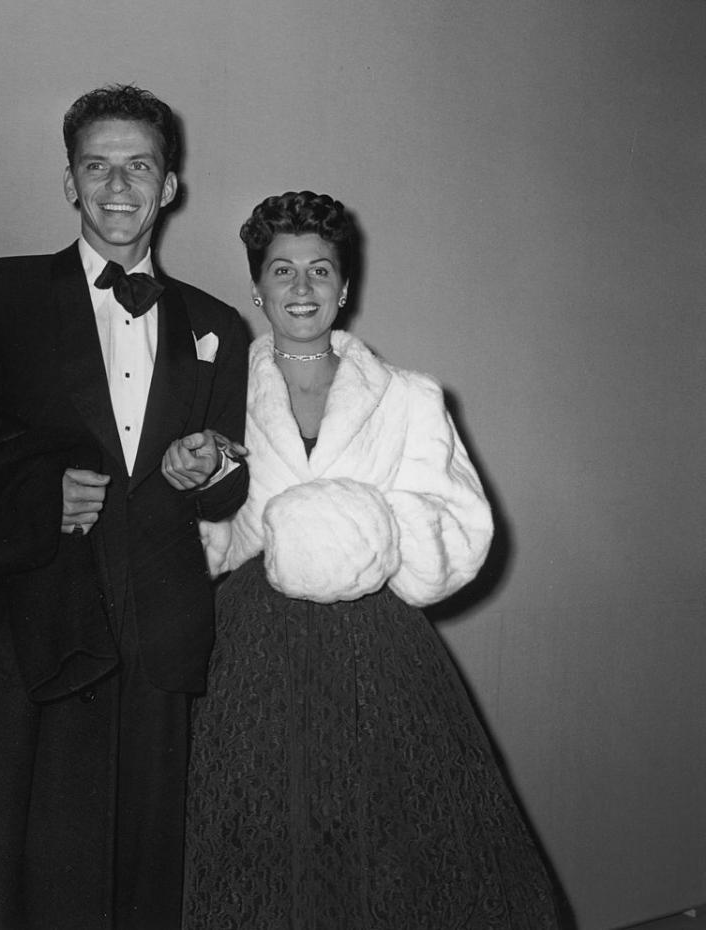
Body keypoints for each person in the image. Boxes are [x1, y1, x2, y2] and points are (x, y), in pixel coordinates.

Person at [0, 85, 249, 930]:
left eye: (138, 166)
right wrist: (34, 499)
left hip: (151, 653)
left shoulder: (220, 327)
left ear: (169, 186)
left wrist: (211, 467)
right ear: (69, 183)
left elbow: (229, 482)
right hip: (20, 646)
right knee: (10, 899)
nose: (118, 187)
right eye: (96, 166)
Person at [183, 191, 562, 928]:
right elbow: (208, 537)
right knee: (256, 851)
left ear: (345, 287)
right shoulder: (216, 397)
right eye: (282, 271)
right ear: (254, 287)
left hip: (378, 658)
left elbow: (459, 527)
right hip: (249, 657)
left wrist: (368, 526)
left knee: (394, 855)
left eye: (320, 270)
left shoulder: (410, 399)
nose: (301, 289)